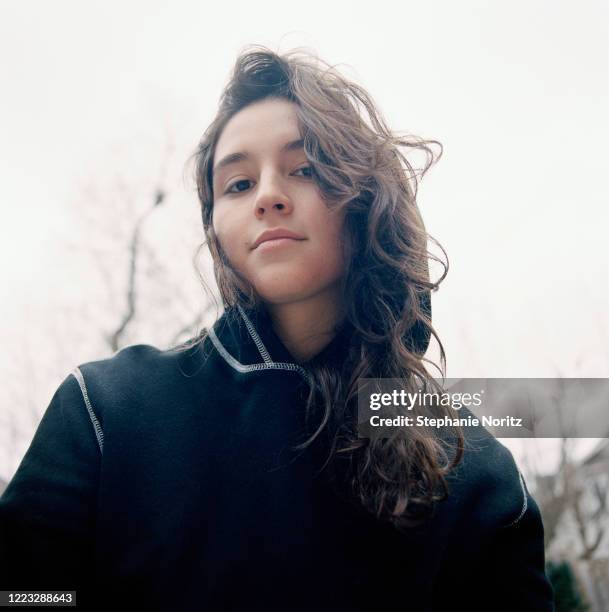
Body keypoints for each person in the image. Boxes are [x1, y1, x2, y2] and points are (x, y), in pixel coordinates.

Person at [0, 45, 555, 611]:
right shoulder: (105, 410)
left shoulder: (469, 464)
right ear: (216, 228)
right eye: (237, 184)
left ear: (365, 198)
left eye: (305, 168)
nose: (267, 196)